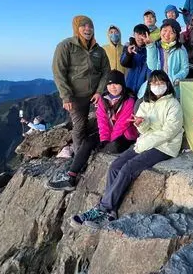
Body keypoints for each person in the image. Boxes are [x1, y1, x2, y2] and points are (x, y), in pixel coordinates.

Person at [70, 70, 183, 229]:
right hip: (145, 142)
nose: (157, 86)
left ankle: (103, 209)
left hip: (165, 146)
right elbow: (144, 130)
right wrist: (141, 123)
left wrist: (145, 142)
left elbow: (169, 131)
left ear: (167, 84)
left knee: (128, 168)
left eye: (160, 83)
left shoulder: (173, 104)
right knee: (115, 166)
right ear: (149, 86)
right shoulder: (146, 103)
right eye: (154, 83)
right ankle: (110, 212)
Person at [47, 70, 138, 191]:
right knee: (88, 141)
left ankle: (99, 150)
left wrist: (109, 140)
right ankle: (71, 177)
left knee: (115, 146)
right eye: (110, 84)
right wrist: (105, 138)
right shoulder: (103, 100)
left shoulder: (129, 101)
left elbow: (122, 124)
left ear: (122, 84)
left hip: (124, 134)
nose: (113, 87)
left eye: (116, 84)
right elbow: (102, 121)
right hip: (109, 132)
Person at [52, 15, 110, 154]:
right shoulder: (66, 46)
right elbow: (58, 72)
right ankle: (79, 154)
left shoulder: (99, 50)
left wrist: (99, 91)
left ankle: (103, 146)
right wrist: (66, 96)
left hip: (96, 93)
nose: (87, 29)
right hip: (76, 96)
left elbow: (106, 71)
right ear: (76, 28)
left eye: (90, 26)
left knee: (105, 119)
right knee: (79, 125)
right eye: (84, 26)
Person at [144, 19, 189, 98]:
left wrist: (176, 79)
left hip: (172, 86)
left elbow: (185, 69)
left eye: (171, 32)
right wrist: (150, 46)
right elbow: (152, 66)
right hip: (156, 85)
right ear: (160, 31)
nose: (167, 34)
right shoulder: (156, 46)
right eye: (165, 30)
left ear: (176, 36)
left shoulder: (181, 49)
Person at [121, 24, 152, 92]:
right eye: (138, 34)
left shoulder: (150, 49)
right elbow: (123, 63)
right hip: (130, 84)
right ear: (134, 34)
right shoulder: (128, 46)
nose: (140, 37)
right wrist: (129, 53)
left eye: (144, 35)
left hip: (144, 87)